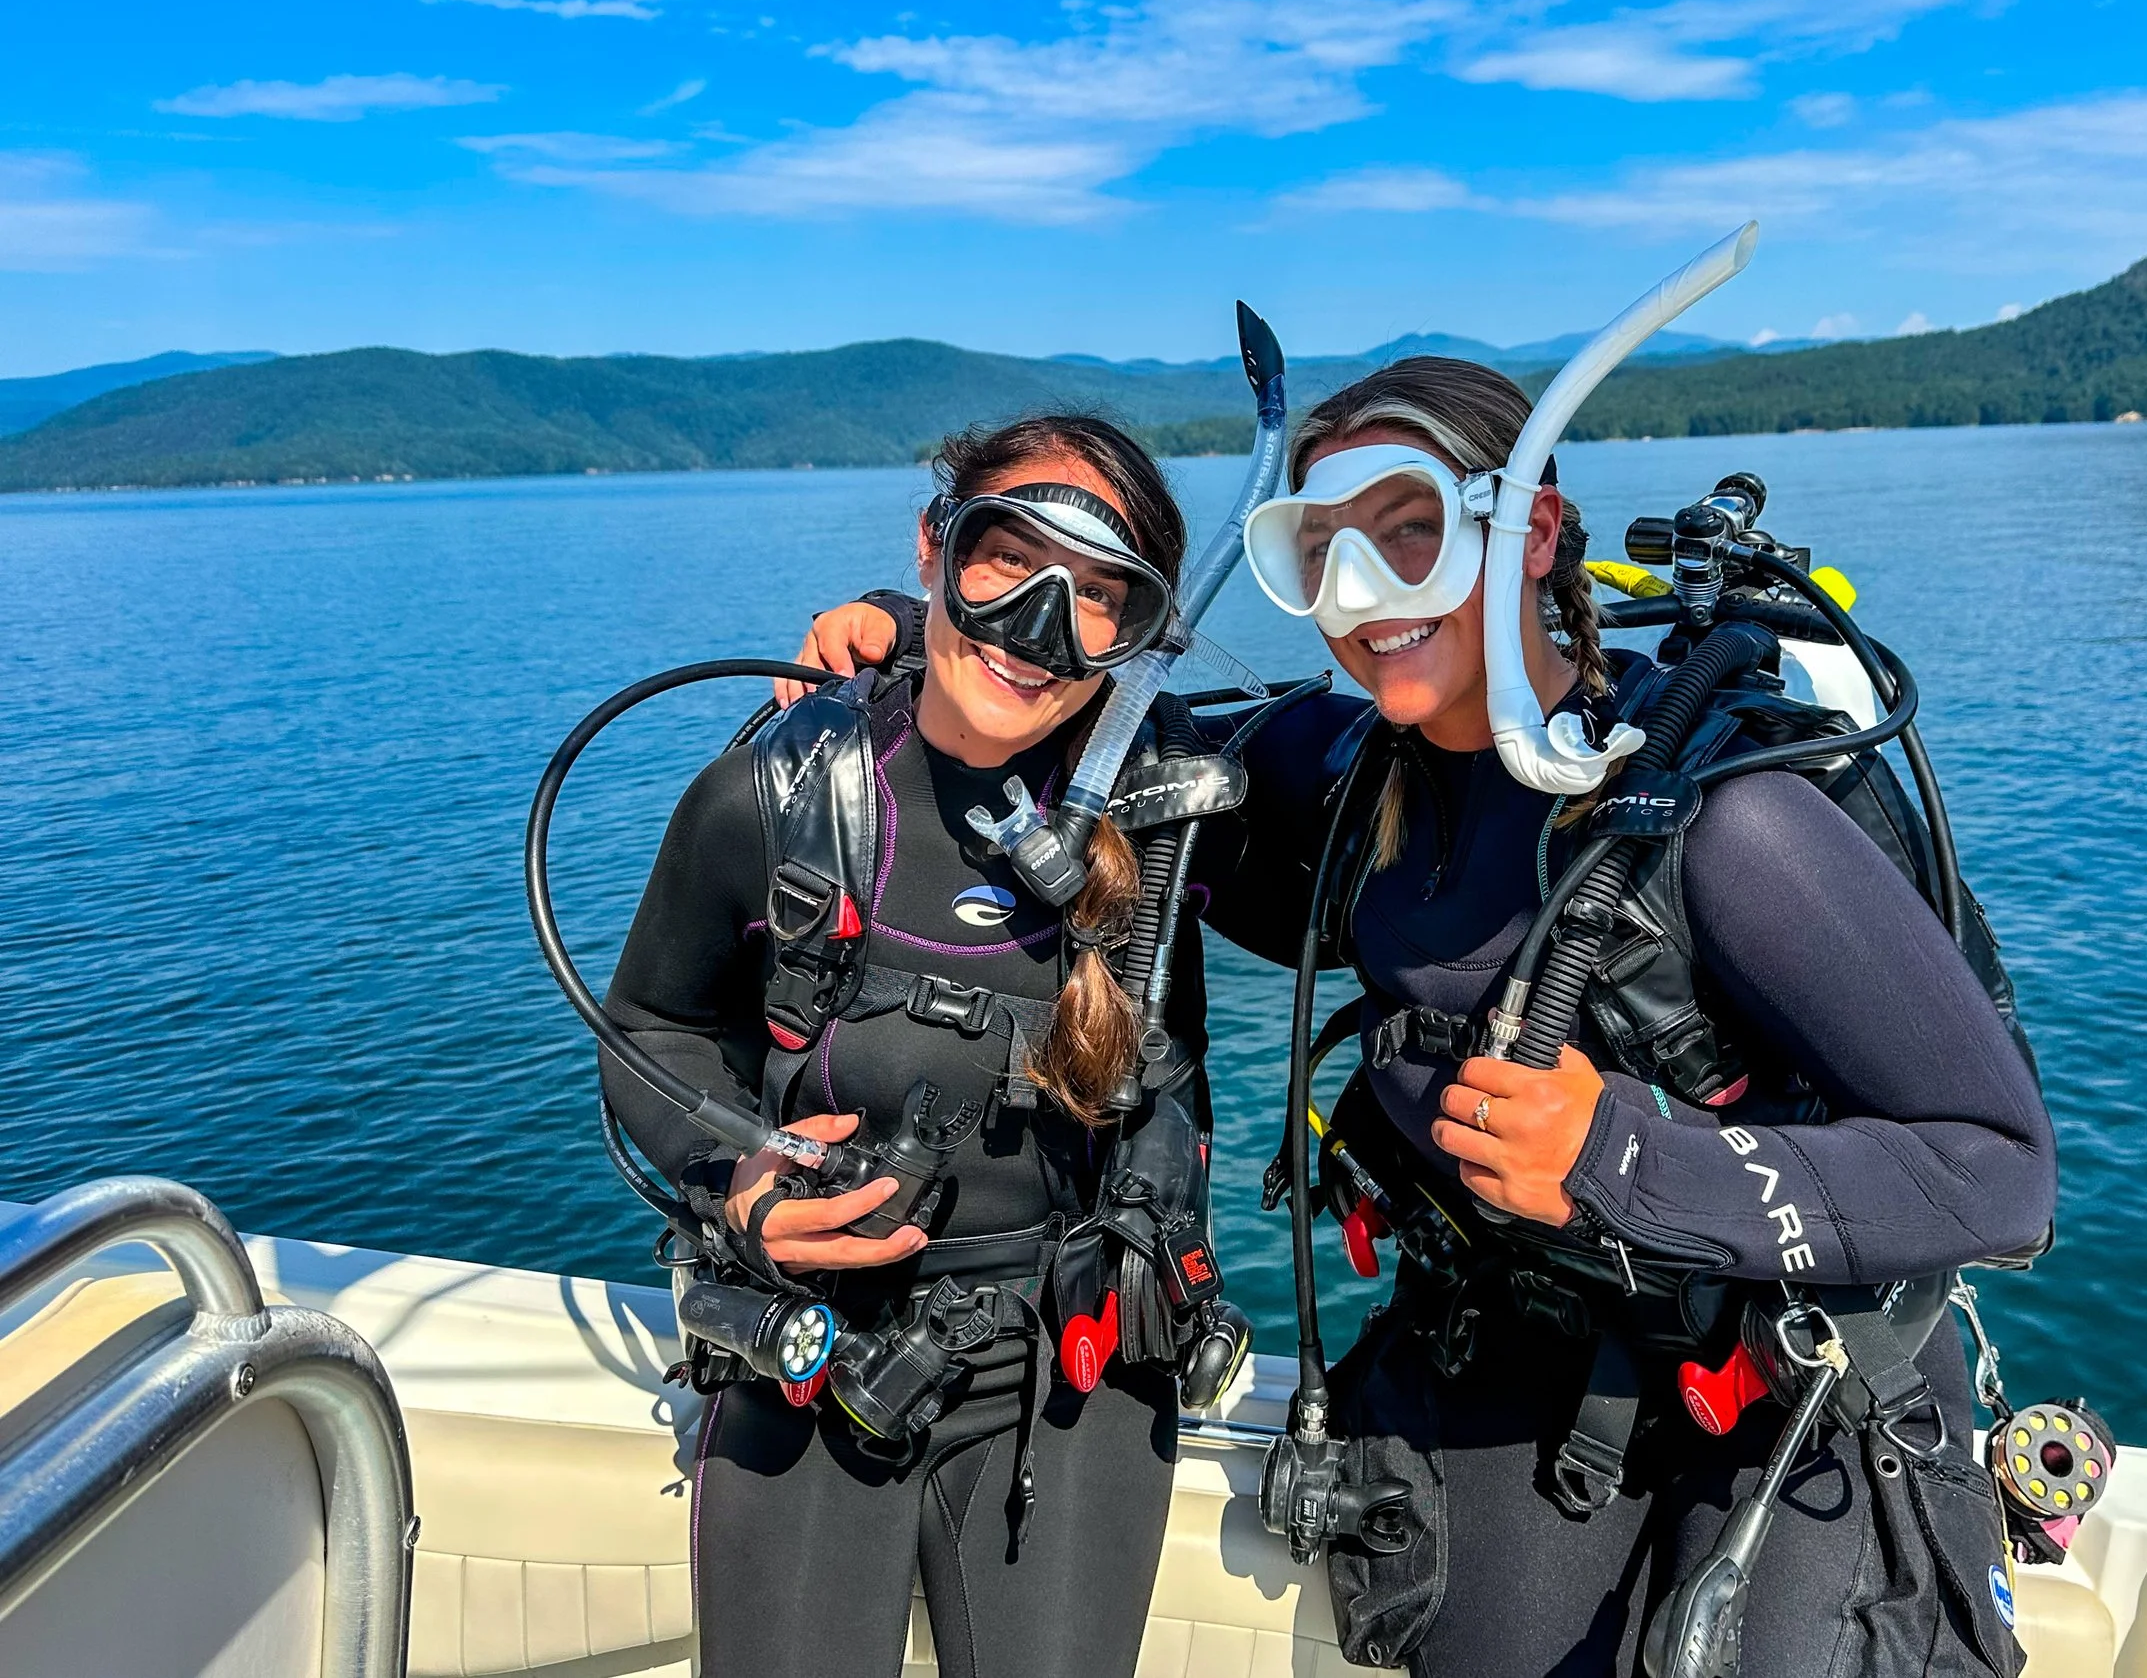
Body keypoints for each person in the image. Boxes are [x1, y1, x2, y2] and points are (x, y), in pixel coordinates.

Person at [794, 357, 2057, 1678]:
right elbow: (1113, 728)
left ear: (1534, 531)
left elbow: (2003, 1168)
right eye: (1318, 548)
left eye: (1410, 532)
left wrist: (1621, 1152)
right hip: (1527, 1339)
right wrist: (934, 624)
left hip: (1788, 1375)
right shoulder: (1346, 776)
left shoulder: (1728, 822)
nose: (1358, 595)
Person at [604, 414, 1249, 1678]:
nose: (1039, 628)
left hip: (1073, 1375)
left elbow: (1409, 754)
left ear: (1138, 638)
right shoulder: (779, 795)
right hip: (816, 1348)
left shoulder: (1172, 812)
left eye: (1100, 598)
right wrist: (734, 1186)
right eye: (1004, 560)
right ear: (933, 546)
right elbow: (651, 1028)